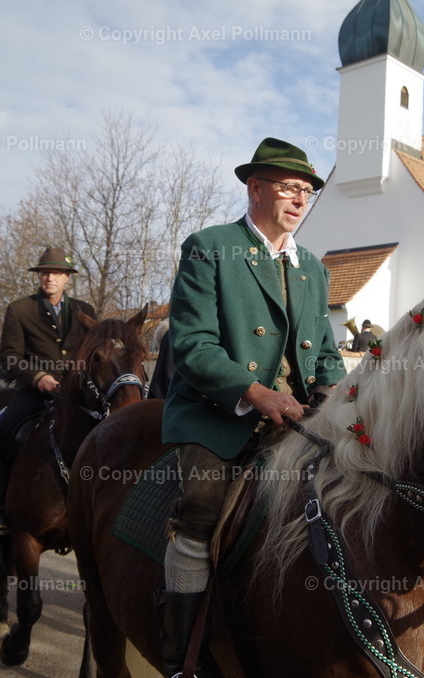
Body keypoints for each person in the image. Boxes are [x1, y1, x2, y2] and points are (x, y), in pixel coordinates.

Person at [158, 137, 346, 674]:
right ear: (255, 187)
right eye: (289, 188)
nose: (299, 199)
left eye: (306, 191)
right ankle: (179, 656)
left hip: (296, 419)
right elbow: (193, 346)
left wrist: (338, 398)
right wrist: (257, 393)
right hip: (217, 415)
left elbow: (326, 354)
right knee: (200, 508)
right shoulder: (209, 246)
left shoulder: (312, 266)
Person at [0, 247, 96, 535]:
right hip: (35, 391)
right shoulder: (19, 310)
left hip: (75, 393)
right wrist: (37, 376)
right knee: (4, 432)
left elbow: (95, 353)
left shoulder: (87, 312)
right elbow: (9, 356)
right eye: (45, 272)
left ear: (67, 278)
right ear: (39, 276)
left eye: (57, 273)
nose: (50, 278)